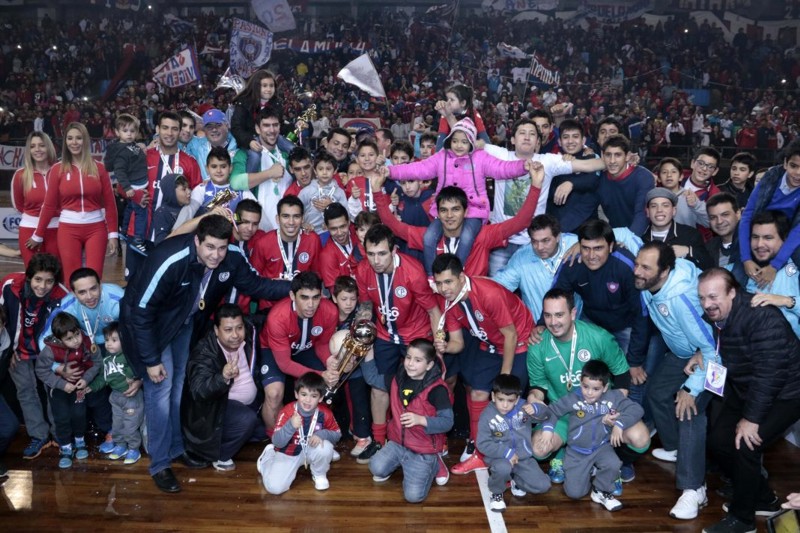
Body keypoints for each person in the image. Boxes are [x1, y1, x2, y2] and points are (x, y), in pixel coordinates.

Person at [119, 214, 290, 493]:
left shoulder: (231, 257)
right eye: (209, 247)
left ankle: (176, 448)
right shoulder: (170, 260)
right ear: (196, 240)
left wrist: (294, 287)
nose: (216, 255)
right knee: (160, 393)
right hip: (150, 328)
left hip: (183, 323)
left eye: (221, 248)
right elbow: (139, 312)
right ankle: (160, 464)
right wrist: (150, 360)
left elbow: (257, 286)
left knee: (177, 390)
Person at [696, 268, 800, 533]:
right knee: (719, 440)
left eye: (713, 297)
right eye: (702, 298)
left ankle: (743, 521)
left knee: (746, 444)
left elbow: (770, 374)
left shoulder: (761, 316)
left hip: (787, 392)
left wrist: (751, 419)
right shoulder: (718, 316)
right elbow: (714, 345)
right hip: (747, 386)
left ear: (733, 292)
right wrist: (699, 353)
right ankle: (764, 498)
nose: (707, 304)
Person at [526, 288, 649, 491]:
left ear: (573, 313)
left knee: (640, 437)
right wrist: (533, 399)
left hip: (600, 413)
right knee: (538, 449)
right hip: (564, 414)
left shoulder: (598, 337)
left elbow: (621, 374)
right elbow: (538, 386)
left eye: (559, 315)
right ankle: (561, 455)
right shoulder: (538, 345)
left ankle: (614, 464)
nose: (553, 322)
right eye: (547, 315)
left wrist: (613, 412)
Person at [632, 242, 717, 520]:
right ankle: (676, 448)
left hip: (713, 357)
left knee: (688, 410)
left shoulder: (680, 298)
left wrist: (691, 389)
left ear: (665, 271)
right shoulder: (650, 283)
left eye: (645, 267)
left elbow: (711, 348)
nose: (637, 271)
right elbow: (626, 236)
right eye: (637, 263)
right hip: (683, 353)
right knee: (656, 392)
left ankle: (694, 489)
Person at [388, 117, 533, 276]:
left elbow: (502, 168)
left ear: (471, 142)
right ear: (450, 140)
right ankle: (431, 275)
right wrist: (391, 171)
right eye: (455, 141)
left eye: (464, 142)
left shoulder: (480, 157)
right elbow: (417, 169)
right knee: (429, 237)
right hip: (445, 211)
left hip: (474, 211)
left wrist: (522, 166)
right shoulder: (441, 157)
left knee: (466, 237)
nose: (459, 145)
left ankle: (457, 270)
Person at [432, 254, 533, 475]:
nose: (444, 288)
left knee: (506, 398)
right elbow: (458, 343)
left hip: (518, 342)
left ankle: (516, 459)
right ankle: (480, 451)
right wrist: (445, 347)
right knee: (477, 393)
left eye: (448, 281)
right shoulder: (449, 302)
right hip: (491, 344)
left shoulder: (489, 293)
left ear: (461, 277)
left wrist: (504, 378)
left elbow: (511, 335)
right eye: (439, 283)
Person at [353, 224, 441, 463]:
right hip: (384, 335)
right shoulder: (362, 270)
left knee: (420, 390)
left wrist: (438, 346)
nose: (376, 260)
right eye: (370, 254)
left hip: (415, 335)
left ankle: (427, 440)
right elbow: (365, 307)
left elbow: (433, 311)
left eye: (382, 253)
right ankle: (379, 440)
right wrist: (361, 335)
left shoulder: (412, 271)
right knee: (379, 388)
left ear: (394, 250)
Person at [373, 164, 543, 277]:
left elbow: (521, 221)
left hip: (475, 305)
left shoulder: (482, 236)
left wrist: (535, 186)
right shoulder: (427, 236)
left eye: (455, 209)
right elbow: (393, 226)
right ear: (437, 213)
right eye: (444, 210)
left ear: (466, 211)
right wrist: (376, 191)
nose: (449, 215)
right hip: (441, 307)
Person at [551, 219, 648, 396]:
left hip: (625, 325)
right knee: (585, 373)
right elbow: (556, 297)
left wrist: (634, 361)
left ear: (611, 247)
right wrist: (542, 324)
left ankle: (628, 420)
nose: (591, 255)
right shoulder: (573, 263)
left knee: (631, 376)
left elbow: (641, 314)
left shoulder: (626, 266)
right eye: (586, 248)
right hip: (592, 323)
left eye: (598, 248)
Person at [537, 360, 646, 512]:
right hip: (577, 451)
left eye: (596, 389)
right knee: (575, 493)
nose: (589, 392)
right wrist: (548, 429)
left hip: (601, 447)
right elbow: (552, 411)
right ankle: (584, 471)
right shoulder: (573, 399)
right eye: (585, 386)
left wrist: (620, 423)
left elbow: (636, 409)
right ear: (580, 383)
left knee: (613, 463)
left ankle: (601, 490)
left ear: (605, 387)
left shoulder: (613, 397)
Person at [39, 267, 125, 453]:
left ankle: (116, 430)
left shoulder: (117, 298)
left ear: (100, 285)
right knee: (93, 393)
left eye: (93, 289)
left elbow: (137, 331)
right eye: (82, 292)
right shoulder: (66, 305)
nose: (89, 296)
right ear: (73, 292)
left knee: (115, 385)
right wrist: (58, 367)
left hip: (115, 343)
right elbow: (42, 340)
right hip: (86, 349)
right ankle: (100, 430)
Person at [494, 215, 642, 321]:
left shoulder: (573, 242)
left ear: (558, 236)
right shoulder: (521, 257)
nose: (539, 247)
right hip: (543, 327)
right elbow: (497, 287)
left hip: (579, 323)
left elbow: (617, 234)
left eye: (546, 240)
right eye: (534, 241)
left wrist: (582, 245)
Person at [366, 339, 453, 503]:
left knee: (413, 497)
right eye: (408, 357)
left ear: (429, 365)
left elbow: (447, 422)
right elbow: (371, 378)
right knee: (376, 468)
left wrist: (421, 420)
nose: (410, 364)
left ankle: (434, 462)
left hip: (423, 450)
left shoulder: (437, 389)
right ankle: (405, 461)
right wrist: (368, 349)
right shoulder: (397, 379)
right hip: (399, 442)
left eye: (418, 360)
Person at [31, 122, 118, 282]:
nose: (74, 142)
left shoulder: (99, 168)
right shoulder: (57, 169)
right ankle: (71, 308)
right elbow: (49, 205)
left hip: (96, 229)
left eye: (79, 138)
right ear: (65, 142)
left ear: (85, 141)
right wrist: (38, 234)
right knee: (71, 277)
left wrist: (113, 234)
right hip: (68, 229)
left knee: (94, 277)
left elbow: (110, 204)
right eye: (70, 138)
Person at [1, 253, 67, 459]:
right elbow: (2, 317)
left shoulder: (62, 296)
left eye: (49, 281)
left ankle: (60, 435)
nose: (42, 286)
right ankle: (39, 435)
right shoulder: (10, 285)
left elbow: (63, 330)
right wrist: (8, 350)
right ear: (29, 277)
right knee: (26, 392)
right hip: (18, 351)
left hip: (47, 353)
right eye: (38, 279)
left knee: (53, 392)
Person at [258, 272, 338, 434]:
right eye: (304, 297)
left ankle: (315, 436)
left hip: (306, 347)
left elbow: (322, 343)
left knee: (325, 387)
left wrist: (329, 361)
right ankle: (276, 442)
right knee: (274, 394)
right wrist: (319, 374)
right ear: (292, 296)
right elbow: (285, 364)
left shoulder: (330, 311)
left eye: (316, 297)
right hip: (274, 351)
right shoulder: (277, 318)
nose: (311, 304)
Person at [182, 304, 259, 472]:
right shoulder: (204, 352)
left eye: (239, 328)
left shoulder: (251, 335)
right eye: (228, 330)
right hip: (217, 410)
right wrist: (222, 377)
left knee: (261, 432)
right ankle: (219, 456)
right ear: (217, 330)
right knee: (247, 421)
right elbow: (198, 390)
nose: (235, 335)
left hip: (251, 404)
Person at [35, 313, 102, 469]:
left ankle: (80, 442)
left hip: (79, 388)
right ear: (60, 339)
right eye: (69, 339)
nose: (76, 341)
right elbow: (41, 371)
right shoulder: (50, 350)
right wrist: (60, 384)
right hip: (58, 390)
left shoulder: (87, 342)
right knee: (62, 418)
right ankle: (65, 448)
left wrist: (86, 379)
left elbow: (97, 363)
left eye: (77, 334)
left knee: (79, 414)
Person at [256, 372, 342, 494]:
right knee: (275, 489)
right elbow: (277, 442)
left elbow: (337, 434)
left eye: (314, 396)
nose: (308, 400)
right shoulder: (287, 412)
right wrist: (290, 425)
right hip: (289, 452)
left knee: (326, 447)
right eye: (304, 394)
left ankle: (319, 474)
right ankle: (267, 459)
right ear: (296, 394)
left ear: (321, 398)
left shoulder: (325, 413)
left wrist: (321, 434)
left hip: (311, 449)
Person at [477, 374, 551, 512]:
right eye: (500, 400)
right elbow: (482, 443)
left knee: (544, 486)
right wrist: (507, 452)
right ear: (493, 397)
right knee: (502, 469)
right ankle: (496, 492)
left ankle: (517, 482)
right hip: (499, 458)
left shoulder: (524, 408)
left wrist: (537, 409)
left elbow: (547, 416)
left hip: (523, 458)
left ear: (517, 399)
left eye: (510, 401)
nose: (505, 405)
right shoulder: (487, 415)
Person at [737, 140, 800, 291]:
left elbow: (798, 231)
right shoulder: (771, 177)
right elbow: (747, 216)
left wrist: (775, 265)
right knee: (737, 278)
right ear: (785, 163)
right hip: (757, 231)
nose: (798, 173)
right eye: (794, 166)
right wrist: (746, 259)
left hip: (788, 235)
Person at [86, 322, 143, 464]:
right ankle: (121, 446)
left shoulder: (128, 357)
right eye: (106, 340)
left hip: (131, 397)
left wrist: (134, 376)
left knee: (130, 427)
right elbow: (103, 379)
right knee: (117, 425)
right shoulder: (106, 359)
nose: (109, 344)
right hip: (116, 397)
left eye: (114, 340)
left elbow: (139, 370)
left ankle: (134, 449)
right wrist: (91, 387)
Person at [230, 107, 292, 233]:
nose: (272, 130)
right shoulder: (245, 154)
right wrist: (269, 173)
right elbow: (235, 183)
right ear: (258, 129)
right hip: (258, 229)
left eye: (275, 125)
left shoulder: (287, 155)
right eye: (266, 125)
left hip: (288, 228)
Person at [743, 211, 800, 336]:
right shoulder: (745, 273)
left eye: (768, 238)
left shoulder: (796, 268)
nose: (759, 244)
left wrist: (787, 301)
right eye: (755, 237)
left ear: (785, 240)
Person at [248, 195, 322, 285]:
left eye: (296, 216)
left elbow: (317, 275)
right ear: (277, 219)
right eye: (286, 216)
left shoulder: (312, 240)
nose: (291, 222)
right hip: (272, 297)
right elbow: (254, 280)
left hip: (303, 297)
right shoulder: (262, 243)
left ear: (302, 219)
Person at [11, 131, 59, 265]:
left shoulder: (60, 171)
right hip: (29, 230)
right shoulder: (20, 175)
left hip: (58, 229)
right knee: (33, 276)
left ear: (49, 147)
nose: (37, 150)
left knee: (57, 275)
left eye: (41, 145)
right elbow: (19, 205)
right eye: (32, 146)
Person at [546, 119, 601, 233]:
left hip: (587, 232)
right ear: (560, 142)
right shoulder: (553, 163)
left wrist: (571, 183)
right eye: (566, 137)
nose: (570, 141)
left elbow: (593, 182)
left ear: (583, 140)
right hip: (556, 231)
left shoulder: (592, 160)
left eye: (575, 136)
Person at [105, 113, 149, 253]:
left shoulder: (131, 145)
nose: (129, 134)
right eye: (125, 131)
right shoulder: (121, 152)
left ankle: (123, 232)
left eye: (132, 131)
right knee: (141, 213)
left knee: (130, 209)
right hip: (135, 186)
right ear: (117, 132)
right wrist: (128, 188)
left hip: (138, 182)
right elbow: (119, 172)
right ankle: (138, 240)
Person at [595, 134, 654, 235]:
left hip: (643, 237)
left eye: (618, 155)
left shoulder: (643, 176)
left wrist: (628, 240)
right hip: (615, 236)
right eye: (608, 155)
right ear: (602, 155)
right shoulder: (599, 178)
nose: (612, 161)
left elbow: (642, 213)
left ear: (627, 156)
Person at [642, 187, 713, 270]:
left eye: (665, 205)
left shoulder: (691, 234)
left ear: (674, 211)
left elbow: (709, 265)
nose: (659, 210)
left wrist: (688, 251)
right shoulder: (640, 239)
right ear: (647, 212)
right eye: (654, 206)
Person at [317, 202, 364, 292]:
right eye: (334, 229)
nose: (339, 233)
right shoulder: (326, 256)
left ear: (349, 222)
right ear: (326, 227)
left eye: (343, 226)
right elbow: (336, 293)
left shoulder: (360, 234)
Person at [298, 150, 348, 234]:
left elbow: (346, 215)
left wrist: (332, 206)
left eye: (328, 169)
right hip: (309, 232)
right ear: (315, 171)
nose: (324, 172)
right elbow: (296, 210)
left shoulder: (339, 192)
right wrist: (302, 224)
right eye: (320, 169)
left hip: (332, 233)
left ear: (335, 170)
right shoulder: (306, 191)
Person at [185, 108, 238, 182]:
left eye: (218, 125)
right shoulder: (196, 145)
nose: (214, 130)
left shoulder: (239, 145)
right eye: (209, 127)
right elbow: (178, 139)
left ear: (226, 125)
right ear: (204, 130)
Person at [434, 83, 491, 150]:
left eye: (452, 100)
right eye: (447, 99)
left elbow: (486, 141)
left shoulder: (474, 114)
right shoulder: (445, 113)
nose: (448, 102)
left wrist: (481, 143)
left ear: (463, 103)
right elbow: (440, 142)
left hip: (471, 151)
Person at [150, 173, 192, 246]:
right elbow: (160, 243)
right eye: (184, 189)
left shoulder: (191, 208)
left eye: (189, 188)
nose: (189, 192)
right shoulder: (162, 212)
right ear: (171, 192)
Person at [705, 193, 741, 268]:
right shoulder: (708, 249)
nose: (719, 221)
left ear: (738, 214)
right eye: (713, 217)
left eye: (725, 215)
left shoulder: (751, 244)